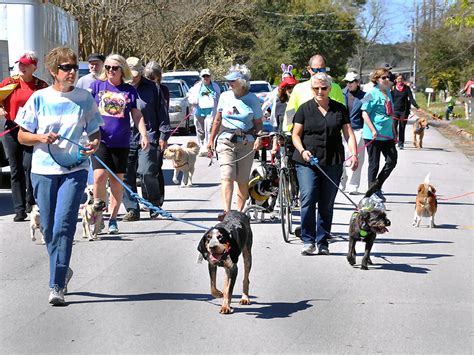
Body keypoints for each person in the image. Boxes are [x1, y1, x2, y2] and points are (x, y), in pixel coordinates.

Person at [16, 47, 103, 305]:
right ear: (54, 71)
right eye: (66, 68)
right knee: (48, 228)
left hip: (74, 170)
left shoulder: (85, 98)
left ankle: (56, 284)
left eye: (74, 67)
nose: (72, 72)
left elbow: (95, 131)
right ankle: (62, 268)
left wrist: (94, 144)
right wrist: (41, 137)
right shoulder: (39, 98)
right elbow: (22, 135)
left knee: (65, 225)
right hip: (43, 170)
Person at [291, 72, 358, 256]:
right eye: (316, 88)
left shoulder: (339, 109)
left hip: (333, 161)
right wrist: (303, 150)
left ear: (330, 89)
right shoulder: (304, 109)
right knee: (309, 197)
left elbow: (348, 133)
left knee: (327, 203)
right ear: (312, 89)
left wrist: (353, 154)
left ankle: (323, 240)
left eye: (324, 88)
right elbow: (295, 134)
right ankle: (307, 239)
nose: (320, 91)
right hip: (307, 161)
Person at [90, 54, 149, 234]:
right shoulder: (96, 86)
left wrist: (144, 134)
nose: (110, 71)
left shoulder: (129, 90)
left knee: (117, 182)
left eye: (114, 68)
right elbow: (87, 111)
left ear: (122, 70)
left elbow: (137, 115)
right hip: (100, 140)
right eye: (107, 67)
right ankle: (98, 216)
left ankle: (113, 219)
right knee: (99, 176)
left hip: (121, 142)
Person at [207, 64, 263, 221]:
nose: (230, 84)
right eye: (229, 81)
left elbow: (258, 122)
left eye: (233, 81)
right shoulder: (224, 96)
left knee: (242, 180)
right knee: (227, 176)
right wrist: (211, 140)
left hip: (247, 142)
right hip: (226, 140)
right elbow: (217, 120)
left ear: (243, 82)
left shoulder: (252, 99)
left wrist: (259, 137)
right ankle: (226, 212)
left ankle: (238, 212)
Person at [122, 57, 171, 222]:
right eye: (130, 74)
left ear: (142, 71)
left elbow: (162, 113)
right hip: (124, 137)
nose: (133, 77)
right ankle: (131, 209)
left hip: (148, 136)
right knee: (126, 175)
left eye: (136, 74)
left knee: (147, 172)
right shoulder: (118, 87)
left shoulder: (152, 88)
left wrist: (164, 135)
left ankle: (153, 205)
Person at [0, 51, 48, 221]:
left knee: (29, 166)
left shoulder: (40, 86)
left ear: (34, 67)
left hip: (31, 131)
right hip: (12, 129)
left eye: (25, 64)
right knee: (15, 170)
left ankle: (31, 201)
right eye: (20, 63)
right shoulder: (10, 83)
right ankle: (19, 209)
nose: (21, 67)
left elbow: (49, 105)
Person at [361, 68, 398, 203]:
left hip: (387, 135)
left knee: (392, 160)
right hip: (373, 135)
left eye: (388, 77)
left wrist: (394, 131)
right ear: (377, 80)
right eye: (384, 78)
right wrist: (373, 129)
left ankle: (377, 186)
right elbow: (364, 112)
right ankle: (371, 192)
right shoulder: (370, 93)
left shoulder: (389, 93)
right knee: (374, 164)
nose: (387, 80)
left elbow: (391, 114)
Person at [282, 54, 345, 133]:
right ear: (309, 69)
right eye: (315, 70)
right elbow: (291, 111)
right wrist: (287, 132)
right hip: (306, 136)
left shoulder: (335, 88)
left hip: (331, 135)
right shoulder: (298, 88)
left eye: (322, 70)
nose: (318, 73)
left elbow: (342, 113)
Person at [340, 71, 366, 195]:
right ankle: (342, 179)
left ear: (357, 82)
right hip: (341, 129)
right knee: (343, 157)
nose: (349, 84)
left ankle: (353, 185)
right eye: (347, 82)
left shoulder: (366, 96)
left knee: (357, 158)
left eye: (351, 82)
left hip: (358, 129)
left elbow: (368, 113)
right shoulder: (341, 93)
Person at [189, 69, 221, 156]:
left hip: (210, 111)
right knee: (200, 131)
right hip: (199, 111)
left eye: (207, 76)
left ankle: (208, 148)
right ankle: (201, 147)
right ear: (201, 77)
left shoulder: (215, 86)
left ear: (210, 77)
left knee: (209, 129)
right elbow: (190, 97)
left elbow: (219, 98)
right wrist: (193, 101)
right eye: (204, 76)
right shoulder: (196, 87)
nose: (206, 78)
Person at [270, 75, 298, 156]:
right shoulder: (280, 104)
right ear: (284, 90)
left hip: (299, 142)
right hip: (283, 142)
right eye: (289, 88)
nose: (291, 91)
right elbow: (276, 125)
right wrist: (275, 144)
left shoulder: (301, 104)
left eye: (294, 88)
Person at [391, 73, 420, 149]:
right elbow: (389, 99)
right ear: (396, 80)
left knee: (402, 127)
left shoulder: (407, 88)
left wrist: (417, 107)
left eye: (401, 79)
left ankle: (401, 143)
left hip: (404, 110)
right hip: (394, 110)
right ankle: (394, 139)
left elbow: (411, 98)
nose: (400, 80)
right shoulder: (393, 88)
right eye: (399, 79)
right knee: (393, 126)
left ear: (403, 80)